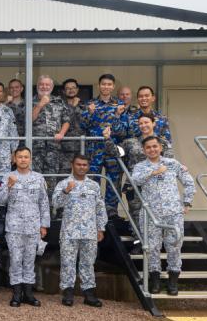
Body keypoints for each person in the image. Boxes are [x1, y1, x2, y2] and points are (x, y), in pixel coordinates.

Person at [132, 136, 195, 296]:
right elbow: (135, 181)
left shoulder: (172, 164)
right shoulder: (140, 166)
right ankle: (155, 280)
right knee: (152, 248)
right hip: (150, 214)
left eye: (155, 146)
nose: (152, 150)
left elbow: (188, 182)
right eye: (148, 147)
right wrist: (153, 172)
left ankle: (173, 281)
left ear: (160, 147)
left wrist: (187, 203)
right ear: (144, 150)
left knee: (174, 245)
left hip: (173, 213)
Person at [0, 147, 50, 308]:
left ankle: (28, 293)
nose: (23, 160)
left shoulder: (39, 178)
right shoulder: (8, 177)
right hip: (14, 227)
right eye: (20, 157)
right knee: (15, 259)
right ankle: (16, 293)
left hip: (33, 226)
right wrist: (8, 186)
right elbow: (0, 200)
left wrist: (44, 225)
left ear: (30, 159)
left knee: (29, 260)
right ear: (14, 159)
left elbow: (44, 202)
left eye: (26, 157)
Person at [52, 154, 107, 307]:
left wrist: (101, 228)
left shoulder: (94, 186)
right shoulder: (64, 183)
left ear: (88, 167)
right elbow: (55, 203)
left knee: (88, 263)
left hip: (89, 231)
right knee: (68, 262)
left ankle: (89, 293)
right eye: (78, 164)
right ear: (72, 165)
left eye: (84, 165)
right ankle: (68, 292)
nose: (81, 167)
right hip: (69, 232)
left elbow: (100, 208)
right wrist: (66, 191)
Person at [104, 112, 173, 228]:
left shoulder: (163, 143)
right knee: (136, 215)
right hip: (134, 185)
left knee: (156, 215)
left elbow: (169, 164)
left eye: (146, 122)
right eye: (140, 123)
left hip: (156, 185)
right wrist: (107, 139)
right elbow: (115, 152)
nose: (143, 125)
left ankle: (155, 245)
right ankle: (139, 243)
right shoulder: (131, 142)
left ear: (154, 123)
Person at [82, 74, 126, 216]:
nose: (106, 87)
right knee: (92, 180)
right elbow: (83, 125)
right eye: (103, 84)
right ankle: (92, 210)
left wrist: (118, 116)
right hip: (94, 149)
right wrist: (90, 113)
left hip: (112, 149)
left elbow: (123, 131)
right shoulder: (90, 104)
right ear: (99, 85)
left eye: (109, 84)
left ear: (113, 86)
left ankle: (111, 212)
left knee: (114, 181)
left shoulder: (120, 105)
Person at [31, 75, 70, 199]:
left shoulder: (59, 101)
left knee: (51, 180)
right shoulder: (30, 101)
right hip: (35, 147)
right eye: (42, 84)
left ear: (52, 87)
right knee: (35, 180)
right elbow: (29, 120)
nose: (44, 87)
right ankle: (36, 211)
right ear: (37, 86)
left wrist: (62, 133)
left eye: (47, 85)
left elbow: (66, 120)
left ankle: (50, 212)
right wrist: (40, 105)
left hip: (53, 147)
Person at [60, 79, 85, 172]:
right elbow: (66, 120)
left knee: (80, 175)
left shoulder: (84, 106)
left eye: (73, 88)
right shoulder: (59, 105)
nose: (71, 90)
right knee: (63, 175)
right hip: (64, 148)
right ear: (63, 91)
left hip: (81, 147)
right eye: (68, 88)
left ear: (77, 90)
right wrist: (73, 106)